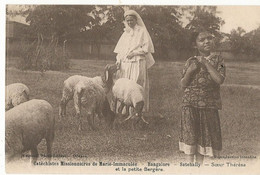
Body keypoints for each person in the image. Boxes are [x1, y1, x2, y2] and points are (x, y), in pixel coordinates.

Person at [179, 30, 226, 164]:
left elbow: (219, 79)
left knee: (203, 139)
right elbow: (183, 83)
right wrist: (189, 71)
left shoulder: (219, 60)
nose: (207, 41)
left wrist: (206, 63)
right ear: (195, 44)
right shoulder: (190, 61)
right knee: (190, 136)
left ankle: (198, 168)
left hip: (208, 105)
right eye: (202, 39)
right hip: (189, 104)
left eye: (209, 38)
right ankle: (189, 168)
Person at [114, 10, 155, 112]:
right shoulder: (125, 33)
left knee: (136, 83)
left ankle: (136, 110)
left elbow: (146, 48)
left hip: (137, 62)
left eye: (131, 20)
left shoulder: (142, 31)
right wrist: (118, 60)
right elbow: (120, 50)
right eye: (127, 21)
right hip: (125, 64)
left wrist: (134, 53)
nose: (129, 23)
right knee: (124, 85)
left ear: (136, 20)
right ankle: (123, 111)